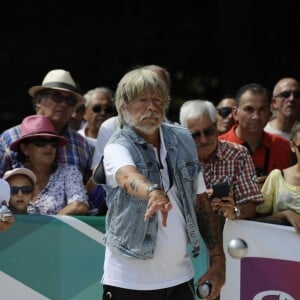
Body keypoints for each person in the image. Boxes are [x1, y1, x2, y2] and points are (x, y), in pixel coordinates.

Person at [100, 68, 225, 300]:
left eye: (158, 100)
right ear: (123, 106)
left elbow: (200, 202)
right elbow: (127, 176)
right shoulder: (117, 145)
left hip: (180, 279)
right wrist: (152, 192)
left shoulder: (184, 138)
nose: (151, 107)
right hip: (127, 281)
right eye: (143, 100)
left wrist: (218, 260)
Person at [179, 100, 264, 229]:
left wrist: (233, 211)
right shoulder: (174, 158)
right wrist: (198, 202)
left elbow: (252, 205)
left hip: (229, 236)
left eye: (208, 132)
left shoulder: (238, 154)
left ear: (216, 126)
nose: (203, 139)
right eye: (195, 135)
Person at [1, 69, 94, 183]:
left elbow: (87, 192)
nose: (64, 104)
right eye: (57, 97)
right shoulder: (9, 138)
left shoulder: (82, 145)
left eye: (70, 100)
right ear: (39, 101)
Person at [91, 64, 173, 169]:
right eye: (143, 98)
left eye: (159, 90)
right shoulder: (111, 127)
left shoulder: (178, 135)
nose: (151, 106)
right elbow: (101, 174)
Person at [10, 114, 89, 215]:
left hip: (58, 230)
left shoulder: (69, 173)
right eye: (40, 142)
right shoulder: (15, 176)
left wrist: (48, 227)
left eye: (53, 142)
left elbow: (79, 206)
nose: (48, 147)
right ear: (25, 149)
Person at [219, 83, 291, 187]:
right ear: (235, 113)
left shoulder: (284, 147)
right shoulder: (217, 147)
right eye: (249, 109)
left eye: (262, 109)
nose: (256, 117)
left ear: (269, 112)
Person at [257, 120, 300, 233]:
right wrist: (285, 214)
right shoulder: (277, 176)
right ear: (292, 146)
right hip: (280, 247)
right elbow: (258, 220)